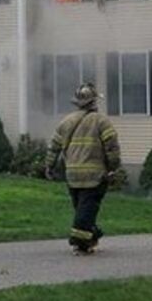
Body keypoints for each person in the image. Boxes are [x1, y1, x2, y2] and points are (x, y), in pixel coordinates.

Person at [46, 82, 121, 254]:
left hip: (72, 175)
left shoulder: (66, 122)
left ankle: (90, 238)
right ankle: (79, 242)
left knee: (83, 210)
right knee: (86, 211)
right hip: (94, 176)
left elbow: (54, 147)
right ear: (94, 102)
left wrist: (49, 166)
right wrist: (113, 167)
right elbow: (112, 147)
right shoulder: (101, 121)